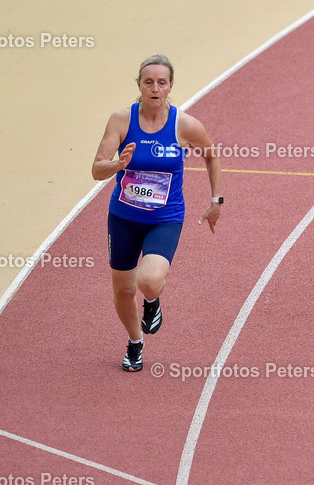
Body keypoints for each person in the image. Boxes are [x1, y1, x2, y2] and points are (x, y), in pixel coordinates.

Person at [91, 55, 223, 371]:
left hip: (164, 219)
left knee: (148, 280)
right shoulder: (121, 120)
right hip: (123, 219)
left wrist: (216, 200)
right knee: (123, 291)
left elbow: (211, 156)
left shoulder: (185, 125)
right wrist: (118, 164)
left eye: (161, 83)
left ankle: (152, 301)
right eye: (148, 82)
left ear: (170, 87)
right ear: (139, 85)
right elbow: (97, 170)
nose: (155, 88)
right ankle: (135, 342)